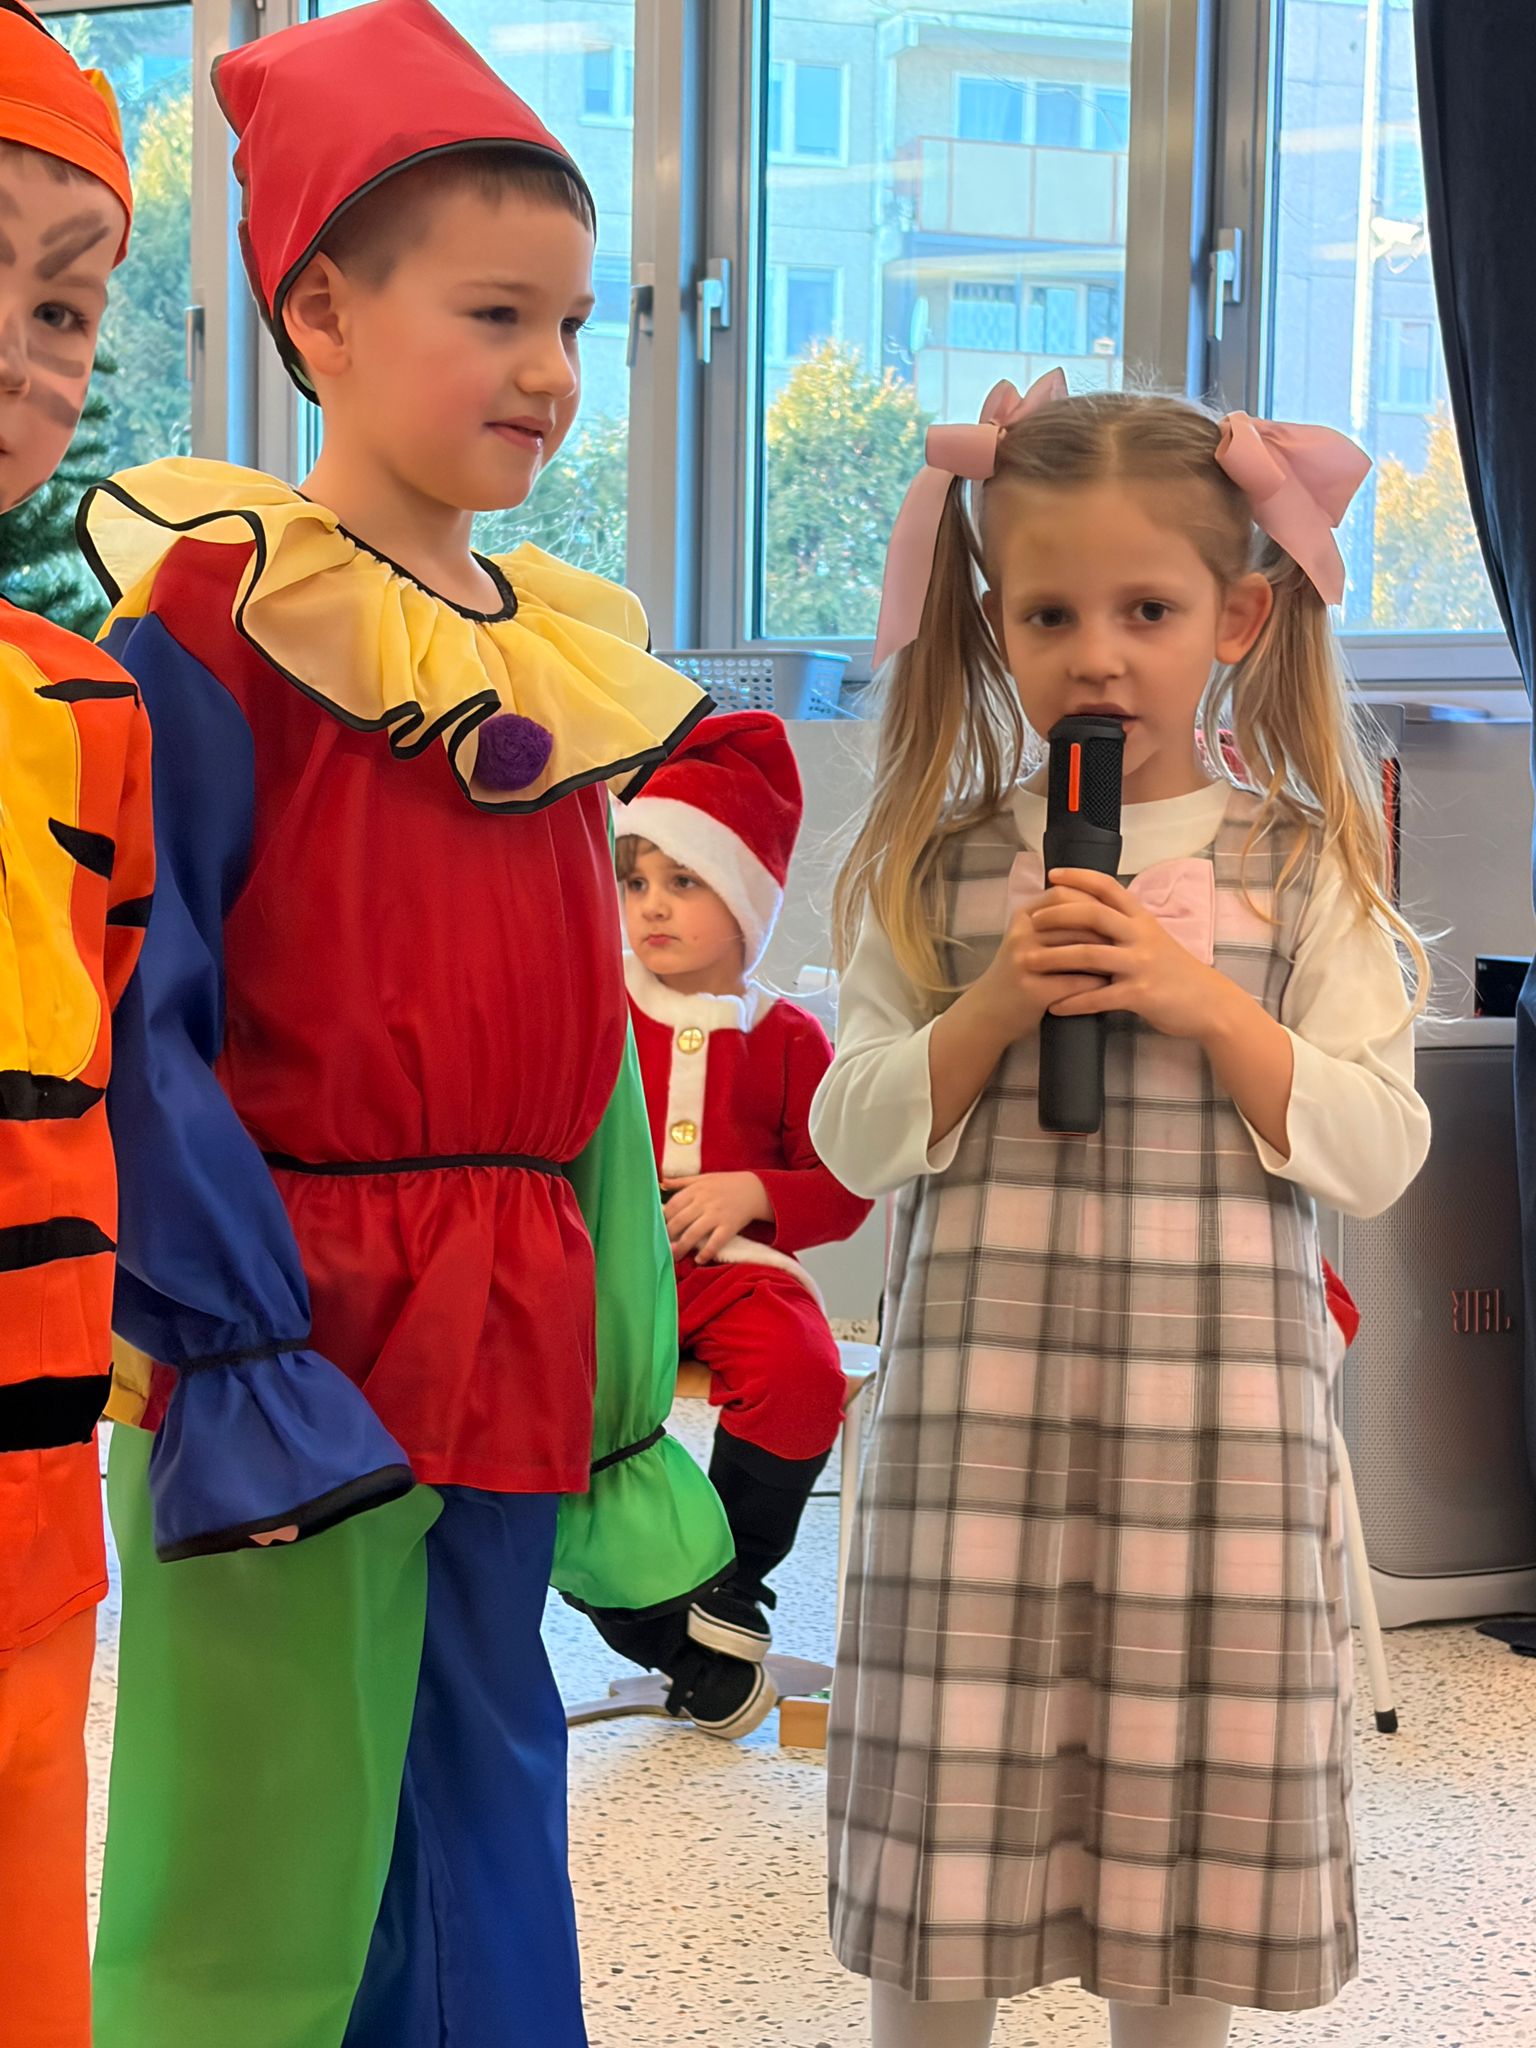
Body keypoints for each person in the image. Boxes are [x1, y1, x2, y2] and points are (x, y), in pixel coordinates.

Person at [80, 3, 730, 2043]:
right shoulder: (215, 616)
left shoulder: (552, 657)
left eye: (574, 323)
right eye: (496, 315)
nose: (551, 372)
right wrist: (231, 1341)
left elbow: (589, 1068)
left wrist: (623, 1361)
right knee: (273, 1842)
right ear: (324, 315)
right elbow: (140, 1003)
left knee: (483, 1784)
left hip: (512, 1308)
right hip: (292, 1316)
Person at [809, 369, 1433, 2048]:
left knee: (1184, 1882)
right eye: (1050, 614)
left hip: (1212, 1456)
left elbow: (1377, 1148)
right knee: (945, 1883)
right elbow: (850, 1136)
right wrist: (991, 1006)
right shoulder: (936, 864)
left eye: (1146, 610)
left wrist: (1208, 1004)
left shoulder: (1304, 867)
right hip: (974, 1449)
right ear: (993, 625)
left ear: (1236, 616)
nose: (1098, 657)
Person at [0, 13, 150, 2043]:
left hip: (29, 1479)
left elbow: (98, 1034)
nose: (18, 356)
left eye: (61, 306)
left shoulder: (85, 706)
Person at [589, 710, 873, 1736]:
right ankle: (660, 1621)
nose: (653, 906)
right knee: (549, 1396)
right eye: (635, 882)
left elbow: (845, 1185)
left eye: (685, 880)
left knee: (801, 1368)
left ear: (747, 896)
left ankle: (729, 1586)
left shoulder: (789, 1036)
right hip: (602, 1274)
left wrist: (755, 1191)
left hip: (737, 1274)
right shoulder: (598, 1011)